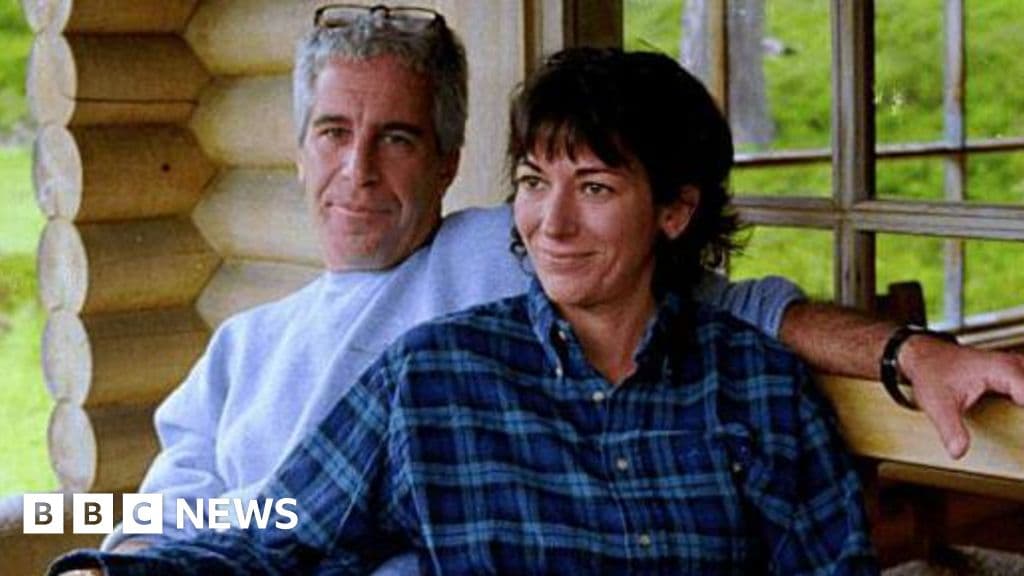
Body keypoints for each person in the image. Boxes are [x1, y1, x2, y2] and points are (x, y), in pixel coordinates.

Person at [102, 0, 1024, 560]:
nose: (358, 171)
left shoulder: (512, 252)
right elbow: (178, 515)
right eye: (333, 133)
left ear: (449, 159)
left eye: (398, 138)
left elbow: (735, 306)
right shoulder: (243, 351)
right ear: (299, 152)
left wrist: (908, 351)